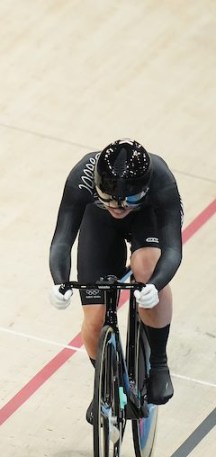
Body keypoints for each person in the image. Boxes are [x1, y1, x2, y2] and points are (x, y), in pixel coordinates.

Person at [49, 138, 182, 416]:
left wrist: (155, 285)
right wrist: (60, 280)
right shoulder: (81, 177)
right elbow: (62, 240)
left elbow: (172, 250)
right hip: (98, 222)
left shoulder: (161, 181)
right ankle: (105, 383)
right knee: (95, 317)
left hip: (148, 218)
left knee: (146, 266)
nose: (119, 207)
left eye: (128, 200)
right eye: (109, 198)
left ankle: (158, 363)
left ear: (144, 189)